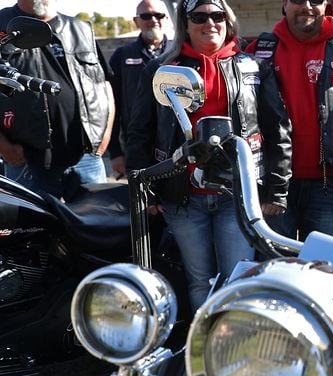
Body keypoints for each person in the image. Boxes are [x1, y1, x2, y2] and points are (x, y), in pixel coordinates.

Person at [126, 0, 290, 309]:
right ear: (184, 24)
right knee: (200, 279)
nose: (209, 23)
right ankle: (200, 348)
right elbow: (139, 131)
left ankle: (233, 348)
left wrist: (276, 190)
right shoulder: (161, 69)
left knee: (238, 277)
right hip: (183, 195)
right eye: (199, 17)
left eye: (217, 15)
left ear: (228, 21)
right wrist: (145, 192)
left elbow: (278, 128)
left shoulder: (253, 66)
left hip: (237, 194)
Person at [248, 0, 333, 240]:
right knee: (278, 264)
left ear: (326, 5)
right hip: (273, 183)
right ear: (284, 4)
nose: (307, 6)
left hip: (327, 184)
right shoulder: (259, 50)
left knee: (322, 266)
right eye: (297, 0)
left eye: (315, 0)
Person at [0, 0, 114, 199]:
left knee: (95, 226)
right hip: (25, 159)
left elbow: (103, 84)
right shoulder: (3, 26)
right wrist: (2, 145)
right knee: (31, 228)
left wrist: (104, 135)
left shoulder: (81, 29)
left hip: (86, 157)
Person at [108, 0, 172, 178]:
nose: (153, 20)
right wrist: (115, 153)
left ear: (166, 18)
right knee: (142, 203)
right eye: (146, 16)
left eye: (158, 15)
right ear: (136, 21)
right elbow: (113, 106)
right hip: (138, 148)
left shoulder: (179, 52)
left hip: (174, 146)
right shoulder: (122, 56)